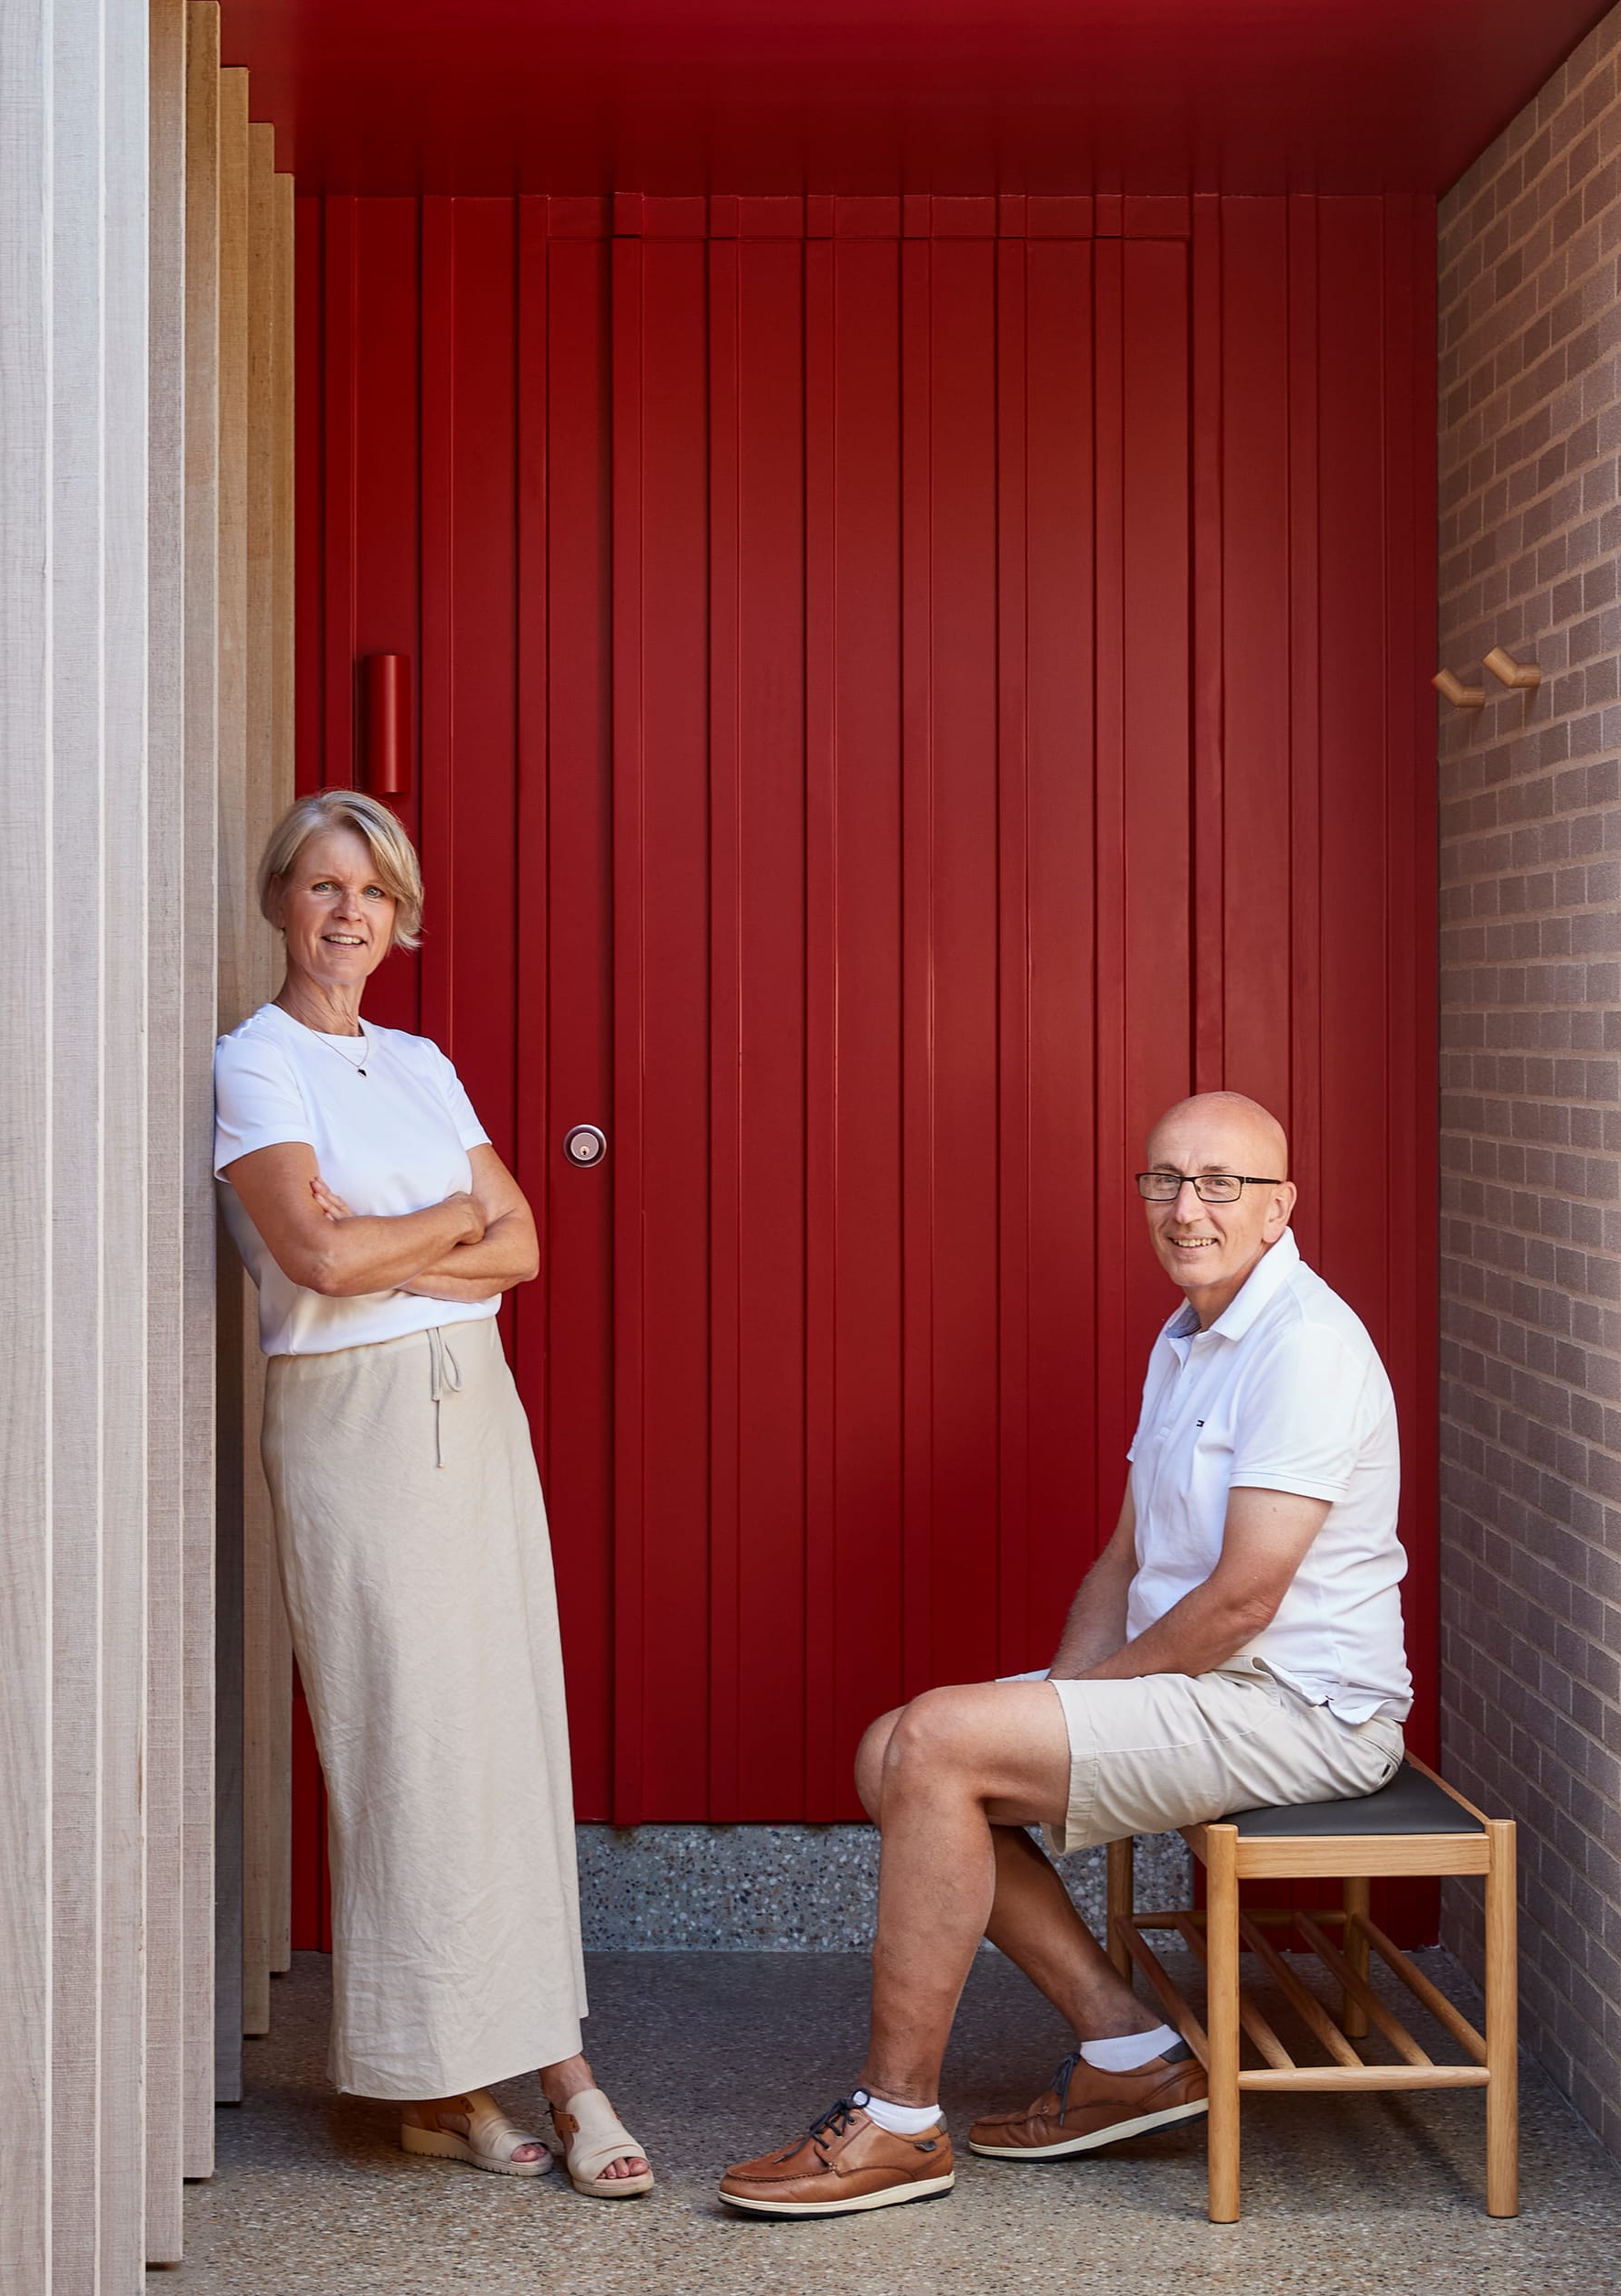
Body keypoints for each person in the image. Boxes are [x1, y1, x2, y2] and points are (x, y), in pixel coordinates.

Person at [720, 1090, 1409, 2218]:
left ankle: (894, 2123)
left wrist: (1077, 1704)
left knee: (936, 1743)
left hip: (1297, 1708)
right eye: (1164, 1180)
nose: (1186, 1209)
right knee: (890, 1749)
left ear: (1280, 1207)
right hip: (1203, 1684)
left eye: (1219, 1185)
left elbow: (1240, 1603)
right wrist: (1059, 1697)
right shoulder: (1187, 1334)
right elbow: (1124, 1556)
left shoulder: (1309, 1351)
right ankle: (1127, 2054)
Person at [215, 789, 652, 2201]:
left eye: (377, 894)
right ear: (280, 898)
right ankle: (460, 2080)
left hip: (475, 1402)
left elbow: (519, 1246)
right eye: (326, 887)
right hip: (354, 1428)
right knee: (408, 1738)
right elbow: (315, 1263)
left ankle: (538, 2060)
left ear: (401, 919)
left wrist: (409, 1239)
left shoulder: (417, 1060)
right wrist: (442, 1228)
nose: (351, 915)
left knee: (506, 1726)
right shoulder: (254, 1064)